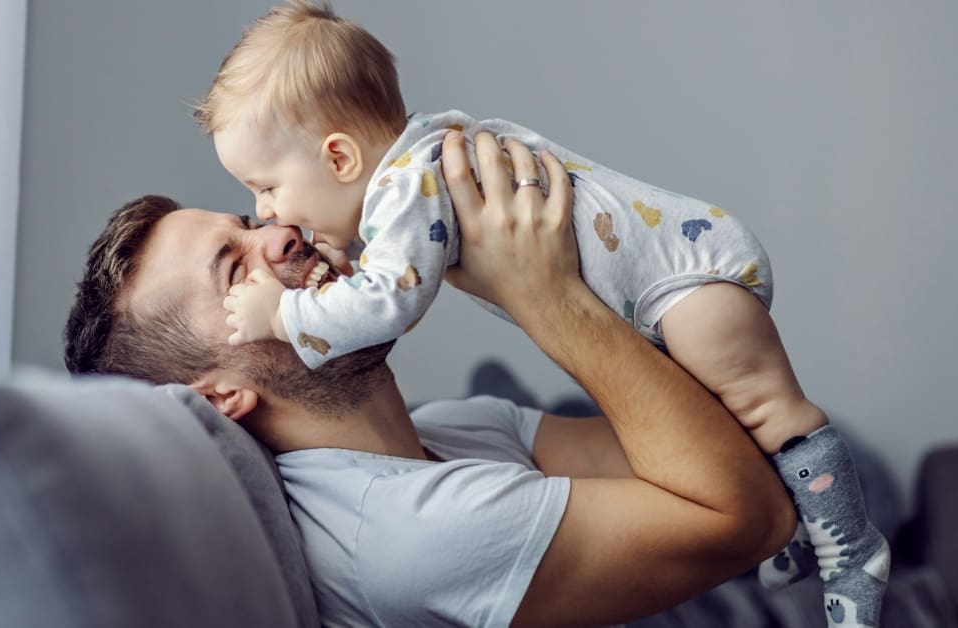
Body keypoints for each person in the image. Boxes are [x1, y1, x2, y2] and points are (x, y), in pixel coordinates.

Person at [196, 3, 889, 625]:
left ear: (340, 157)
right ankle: (817, 528)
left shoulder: (406, 191)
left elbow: (387, 302)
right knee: (747, 420)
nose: (269, 217)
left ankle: (854, 552)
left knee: (772, 413)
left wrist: (281, 316)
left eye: (263, 190)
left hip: (685, 280)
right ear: (216, 394)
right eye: (234, 269)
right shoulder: (415, 172)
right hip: (677, 279)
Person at [64, 131, 797, 626]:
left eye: (247, 223)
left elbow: (740, 455)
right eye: (235, 268)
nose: (279, 233)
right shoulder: (400, 539)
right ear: (220, 395)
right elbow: (753, 516)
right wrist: (542, 297)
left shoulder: (451, 429)